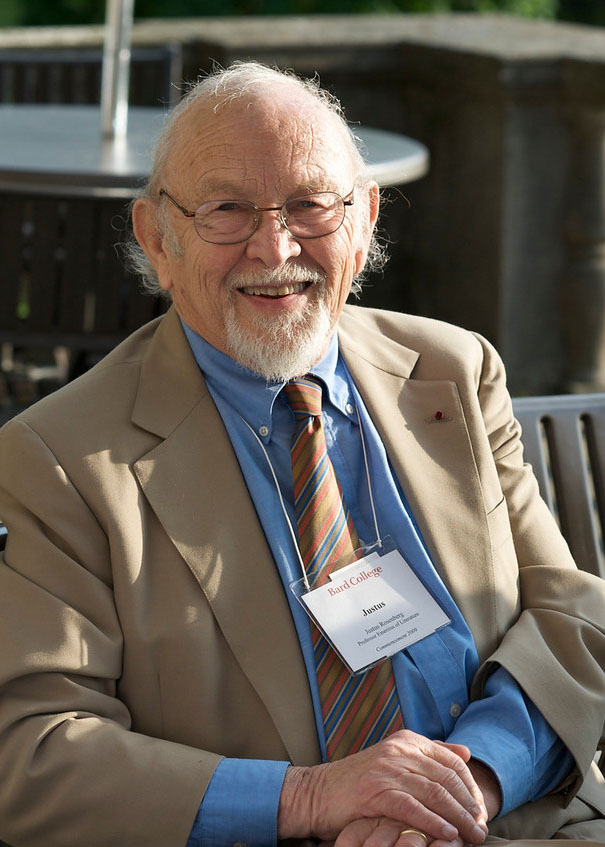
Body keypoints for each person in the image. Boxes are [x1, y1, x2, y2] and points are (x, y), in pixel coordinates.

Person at [0, 61, 603, 847]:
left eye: (311, 204)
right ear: (156, 238)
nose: (274, 246)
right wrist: (313, 798)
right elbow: (31, 754)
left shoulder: (453, 370)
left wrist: (470, 777)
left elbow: (570, 614)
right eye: (226, 209)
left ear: (364, 219)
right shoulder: (58, 461)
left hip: (516, 819)